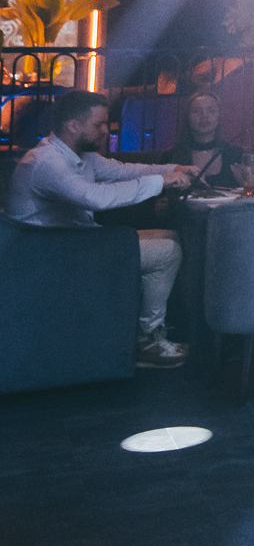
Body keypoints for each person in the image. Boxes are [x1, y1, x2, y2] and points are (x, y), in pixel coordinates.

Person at [6, 91, 193, 367]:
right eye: (99, 124)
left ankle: (148, 327)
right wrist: (162, 182)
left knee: (170, 237)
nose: (106, 130)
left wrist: (174, 168)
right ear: (73, 126)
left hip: (71, 244)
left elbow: (123, 171)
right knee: (168, 251)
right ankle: (147, 340)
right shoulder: (48, 163)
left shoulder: (78, 155)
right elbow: (97, 198)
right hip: (49, 257)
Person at [160, 90, 247, 188]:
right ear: (187, 116)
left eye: (211, 110)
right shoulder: (171, 156)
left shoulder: (235, 154)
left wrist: (245, 183)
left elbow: (251, 190)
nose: (204, 116)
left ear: (219, 115)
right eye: (197, 111)